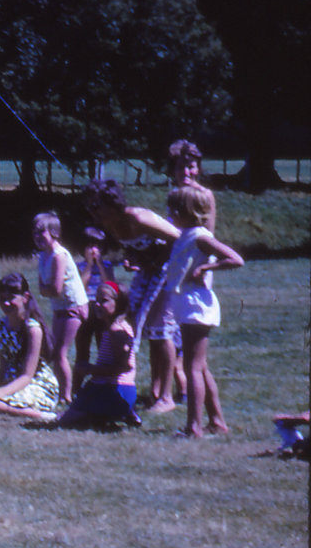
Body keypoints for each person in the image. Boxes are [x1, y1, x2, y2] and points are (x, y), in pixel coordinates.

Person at [146, 183, 244, 438]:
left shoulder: (200, 237)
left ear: (187, 211)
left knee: (192, 368)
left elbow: (235, 259)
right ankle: (217, 421)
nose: (169, 214)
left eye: (173, 209)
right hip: (186, 304)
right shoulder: (184, 236)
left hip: (195, 306)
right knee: (200, 366)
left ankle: (193, 427)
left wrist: (206, 269)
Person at [81, 178, 184, 413]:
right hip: (149, 271)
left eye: (97, 206)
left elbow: (180, 239)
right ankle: (154, 392)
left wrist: (161, 260)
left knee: (161, 329)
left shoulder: (138, 217)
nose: (94, 213)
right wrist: (135, 259)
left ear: (112, 203)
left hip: (170, 271)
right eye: (90, 207)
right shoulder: (111, 225)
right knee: (133, 322)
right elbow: (140, 248)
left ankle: (166, 397)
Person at [0, 272, 62, 421]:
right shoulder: (0, 326)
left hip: (36, 383)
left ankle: (43, 416)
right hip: (12, 382)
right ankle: (3, 406)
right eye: (2, 299)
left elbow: (27, 376)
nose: (6, 304)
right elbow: (4, 363)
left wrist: (2, 393)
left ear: (25, 298)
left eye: (11, 299)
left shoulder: (32, 329)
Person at [55, 281, 141, 428]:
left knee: (65, 422)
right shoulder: (117, 326)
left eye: (104, 301)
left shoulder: (116, 330)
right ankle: (120, 413)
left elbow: (124, 367)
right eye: (97, 300)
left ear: (118, 303)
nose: (98, 304)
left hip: (114, 390)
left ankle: (116, 412)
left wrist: (91, 369)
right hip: (117, 389)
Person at [33, 212, 88, 406]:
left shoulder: (59, 255)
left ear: (54, 233)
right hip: (60, 308)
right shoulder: (43, 256)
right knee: (55, 352)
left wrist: (45, 290)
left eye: (42, 232)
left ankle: (66, 396)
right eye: (35, 233)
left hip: (73, 307)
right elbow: (43, 288)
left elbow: (54, 289)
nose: (38, 237)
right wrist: (45, 290)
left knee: (60, 353)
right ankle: (64, 391)